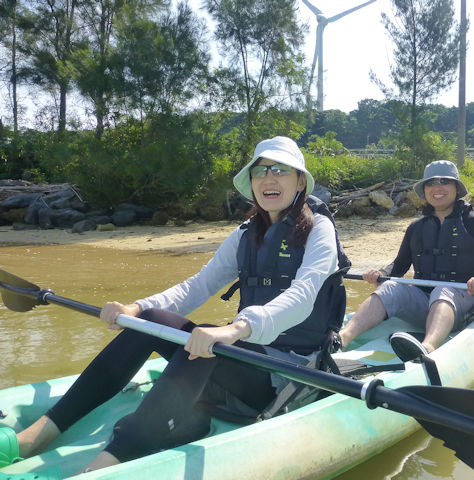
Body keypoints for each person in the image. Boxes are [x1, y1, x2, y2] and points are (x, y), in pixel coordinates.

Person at [0, 136, 348, 473]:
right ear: (252, 181)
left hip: (287, 374)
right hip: (247, 353)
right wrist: (135, 308)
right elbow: (198, 286)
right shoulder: (245, 233)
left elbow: (303, 296)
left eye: (281, 170)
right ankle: (35, 438)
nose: (269, 179)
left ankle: (106, 464)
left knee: (208, 342)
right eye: (261, 171)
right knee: (150, 321)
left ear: (300, 180)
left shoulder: (319, 230)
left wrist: (235, 328)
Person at [339, 160, 474, 363]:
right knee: (391, 286)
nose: (437, 188)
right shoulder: (416, 228)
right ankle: (342, 338)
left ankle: (426, 348)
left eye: (444, 181)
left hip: (461, 303)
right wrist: (381, 273)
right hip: (423, 303)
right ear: (424, 189)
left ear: (456, 188)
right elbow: (399, 266)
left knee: (443, 290)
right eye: (431, 183)